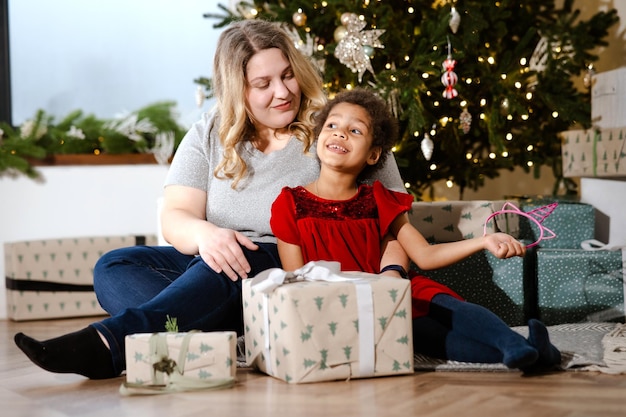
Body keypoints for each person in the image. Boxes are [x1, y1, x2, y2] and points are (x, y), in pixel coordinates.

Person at [13, 20, 408, 380]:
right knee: (114, 266)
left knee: (232, 264)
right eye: (264, 83)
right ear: (238, 88)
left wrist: (392, 277)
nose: (283, 91)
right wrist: (207, 236)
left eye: (287, 75)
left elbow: (395, 220)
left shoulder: (338, 126)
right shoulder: (211, 131)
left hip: (284, 267)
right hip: (216, 261)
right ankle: (226, 330)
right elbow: (176, 216)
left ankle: (109, 346)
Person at [270, 88, 562, 373]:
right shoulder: (290, 203)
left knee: (446, 307)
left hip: (394, 293)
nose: (340, 133)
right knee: (426, 339)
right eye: (332, 125)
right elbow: (298, 283)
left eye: (355, 130)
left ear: (373, 155)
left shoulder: (379, 198)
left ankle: (514, 343)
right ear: (319, 136)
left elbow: (425, 256)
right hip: (346, 308)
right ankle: (532, 352)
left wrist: (485, 241)